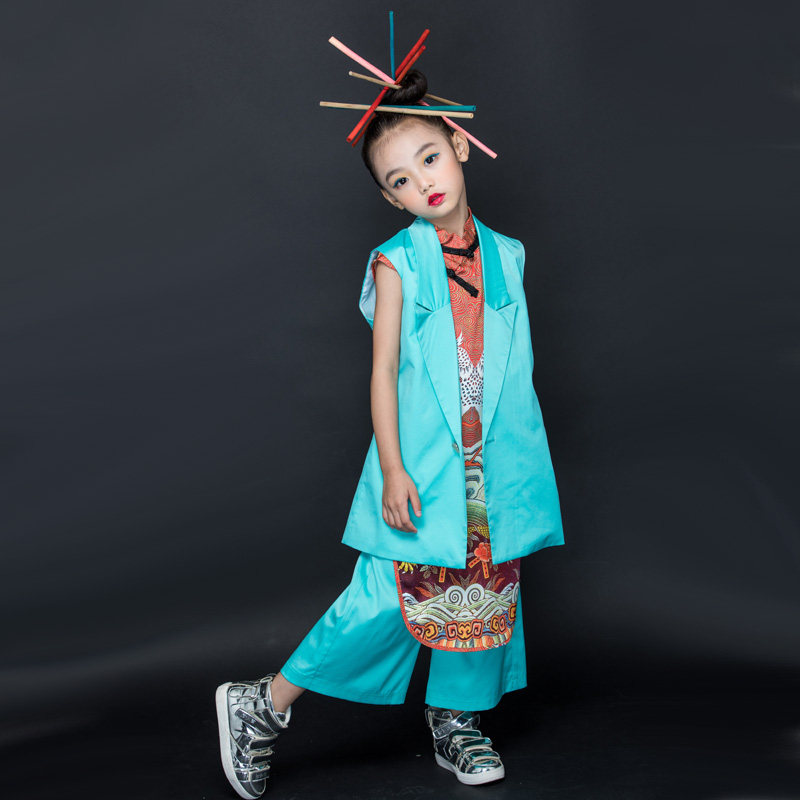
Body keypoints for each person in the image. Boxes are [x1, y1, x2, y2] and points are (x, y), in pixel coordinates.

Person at [215, 69, 564, 799]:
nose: (423, 183)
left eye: (430, 158)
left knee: (483, 592)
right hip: (426, 465)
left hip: (495, 466)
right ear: (389, 197)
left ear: (460, 146)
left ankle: (457, 719)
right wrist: (394, 469)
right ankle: (263, 704)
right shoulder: (397, 262)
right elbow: (382, 372)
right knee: (383, 597)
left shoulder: (510, 254)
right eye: (400, 179)